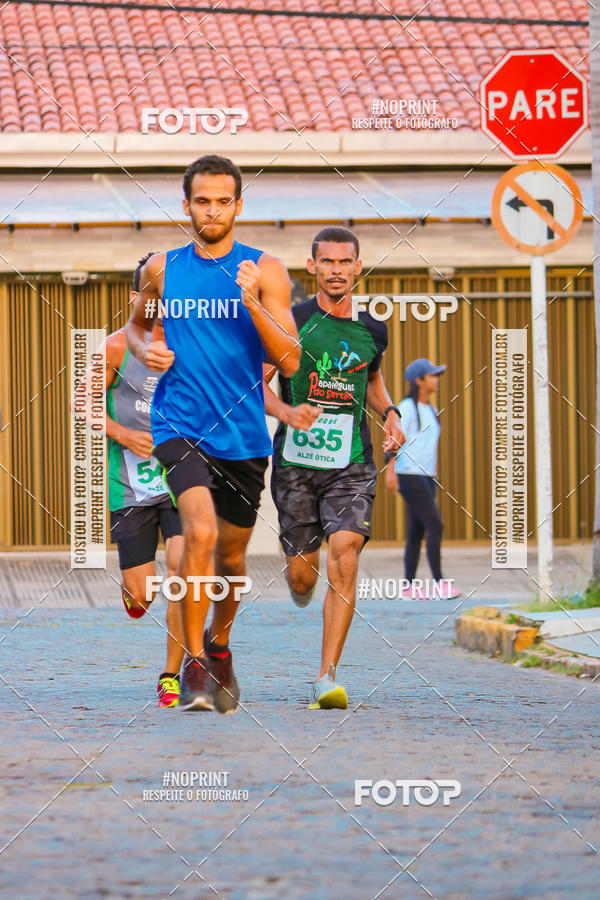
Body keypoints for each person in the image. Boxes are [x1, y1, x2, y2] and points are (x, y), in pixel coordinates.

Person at [126, 155, 300, 713]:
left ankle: (220, 645)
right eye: (202, 200)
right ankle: (195, 665)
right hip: (178, 424)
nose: (212, 210)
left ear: (238, 206)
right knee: (196, 532)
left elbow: (291, 362)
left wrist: (251, 303)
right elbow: (135, 325)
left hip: (245, 435)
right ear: (186, 206)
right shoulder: (162, 267)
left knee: (230, 560)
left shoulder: (266, 270)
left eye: (223, 200)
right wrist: (144, 347)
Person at [263, 226, 405, 710]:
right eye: (328, 262)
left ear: (358, 267)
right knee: (304, 577)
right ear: (313, 268)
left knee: (345, 552)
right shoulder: (289, 322)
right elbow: (257, 384)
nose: (337, 270)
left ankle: (326, 676)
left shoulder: (374, 330)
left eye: (346, 262)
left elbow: (372, 379)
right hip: (296, 464)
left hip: (352, 461)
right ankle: (300, 583)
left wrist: (390, 413)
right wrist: (287, 413)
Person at [72, 253, 186, 708]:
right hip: (129, 486)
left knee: (182, 572)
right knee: (142, 595)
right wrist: (124, 434)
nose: (158, 304)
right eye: (151, 295)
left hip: (180, 481)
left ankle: (172, 674)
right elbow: (81, 403)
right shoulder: (116, 347)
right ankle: (133, 594)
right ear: (135, 297)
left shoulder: (185, 345)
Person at [385, 358, 461, 600]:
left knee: (416, 531)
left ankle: (408, 587)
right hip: (409, 474)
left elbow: (430, 445)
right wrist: (391, 470)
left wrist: (434, 473)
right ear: (419, 380)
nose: (436, 379)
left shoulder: (432, 410)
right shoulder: (406, 407)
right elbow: (394, 438)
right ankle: (439, 583)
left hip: (427, 476)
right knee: (435, 524)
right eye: (432, 375)